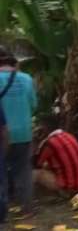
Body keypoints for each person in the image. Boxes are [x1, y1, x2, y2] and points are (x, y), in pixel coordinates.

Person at [0, 48, 37, 216]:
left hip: (2, 133)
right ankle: (27, 207)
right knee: (23, 170)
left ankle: (3, 210)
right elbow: (34, 104)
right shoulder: (26, 78)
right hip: (23, 132)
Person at [33, 115, 78, 197]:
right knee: (47, 165)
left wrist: (36, 141)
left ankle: (31, 197)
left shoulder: (49, 143)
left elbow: (36, 164)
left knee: (35, 173)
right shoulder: (68, 135)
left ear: (44, 128)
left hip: (69, 188)